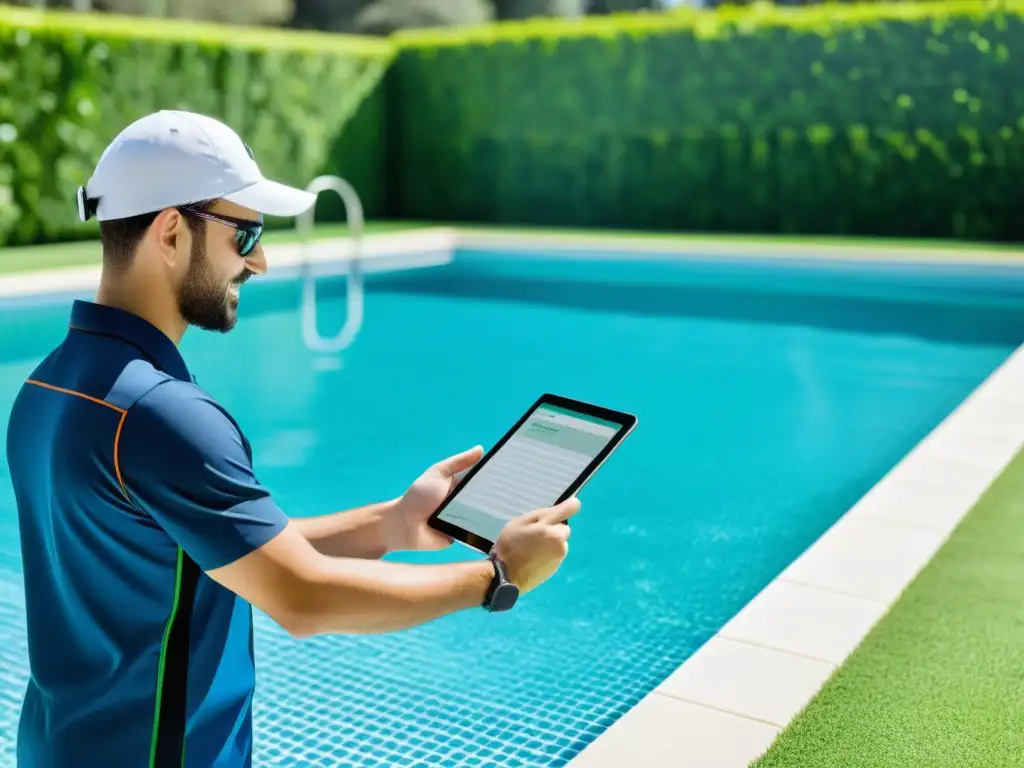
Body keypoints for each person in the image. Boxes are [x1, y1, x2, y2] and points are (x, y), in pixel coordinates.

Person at [5, 110, 580, 768]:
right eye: (244, 234)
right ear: (170, 233)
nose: (260, 261)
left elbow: (217, 550)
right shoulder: (163, 414)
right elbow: (301, 596)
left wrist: (393, 523)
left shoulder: (47, 388)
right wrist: (498, 576)